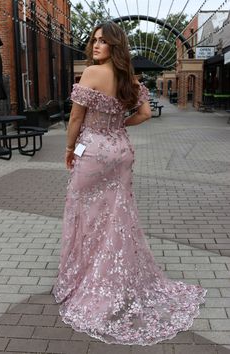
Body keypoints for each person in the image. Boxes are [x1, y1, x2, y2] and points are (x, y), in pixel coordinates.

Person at [53, 21, 207, 346]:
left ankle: (89, 277)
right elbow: (146, 114)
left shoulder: (92, 74)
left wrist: (69, 148)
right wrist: (120, 122)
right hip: (120, 150)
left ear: (113, 45)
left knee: (86, 213)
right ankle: (119, 277)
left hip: (93, 150)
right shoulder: (129, 78)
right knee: (117, 216)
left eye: (102, 42)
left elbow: (76, 119)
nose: (96, 46)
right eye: (94, 40)